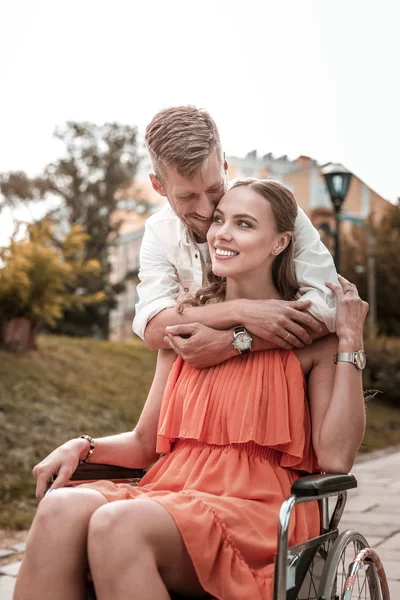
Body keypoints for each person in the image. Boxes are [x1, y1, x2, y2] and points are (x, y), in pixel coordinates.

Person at [14, 178, 368, 600]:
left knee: (119, 524)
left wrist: (350, 343)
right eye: (220, 220)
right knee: (60, 508)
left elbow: (335, 457)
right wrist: (82, 446)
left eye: (244, 224)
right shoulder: (183, 327)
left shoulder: (312, 336)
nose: (222, 233)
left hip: (256, 509)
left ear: (280, 243)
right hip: (170, 490)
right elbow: (145, 443)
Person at [133, 106, 339, 370]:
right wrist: (241, 311)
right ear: (158, 186)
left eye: (214, 189)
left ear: (225, 166)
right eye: (187, 197)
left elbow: (328, 307)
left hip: (284, 370)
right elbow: (152, 326)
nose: (206, 210)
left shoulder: (273, 209)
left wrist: (233, 342)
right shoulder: (159, 232)